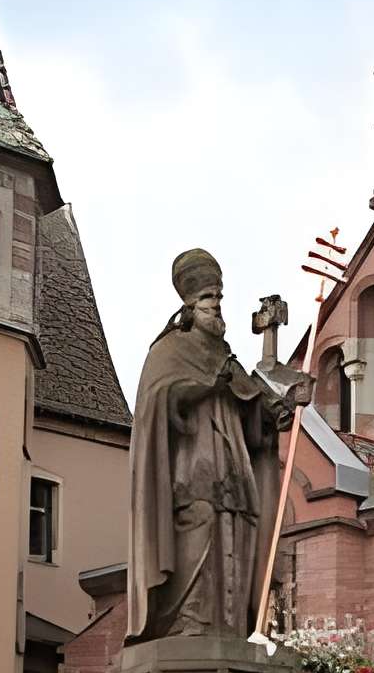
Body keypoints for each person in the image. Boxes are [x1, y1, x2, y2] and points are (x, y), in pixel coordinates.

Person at [127, 249, 308, 643]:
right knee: (199, 536)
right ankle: (188, 624)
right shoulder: (168, 351)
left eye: (219, 299)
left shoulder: (226, 356)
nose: (217, 307)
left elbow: (252, 411)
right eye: (209, 301)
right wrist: (206, 388)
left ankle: (230, 627)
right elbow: (156, 406)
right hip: (192, 470)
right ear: (191, 307)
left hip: (233, 470)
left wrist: (273, 413)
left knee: (236, 539)